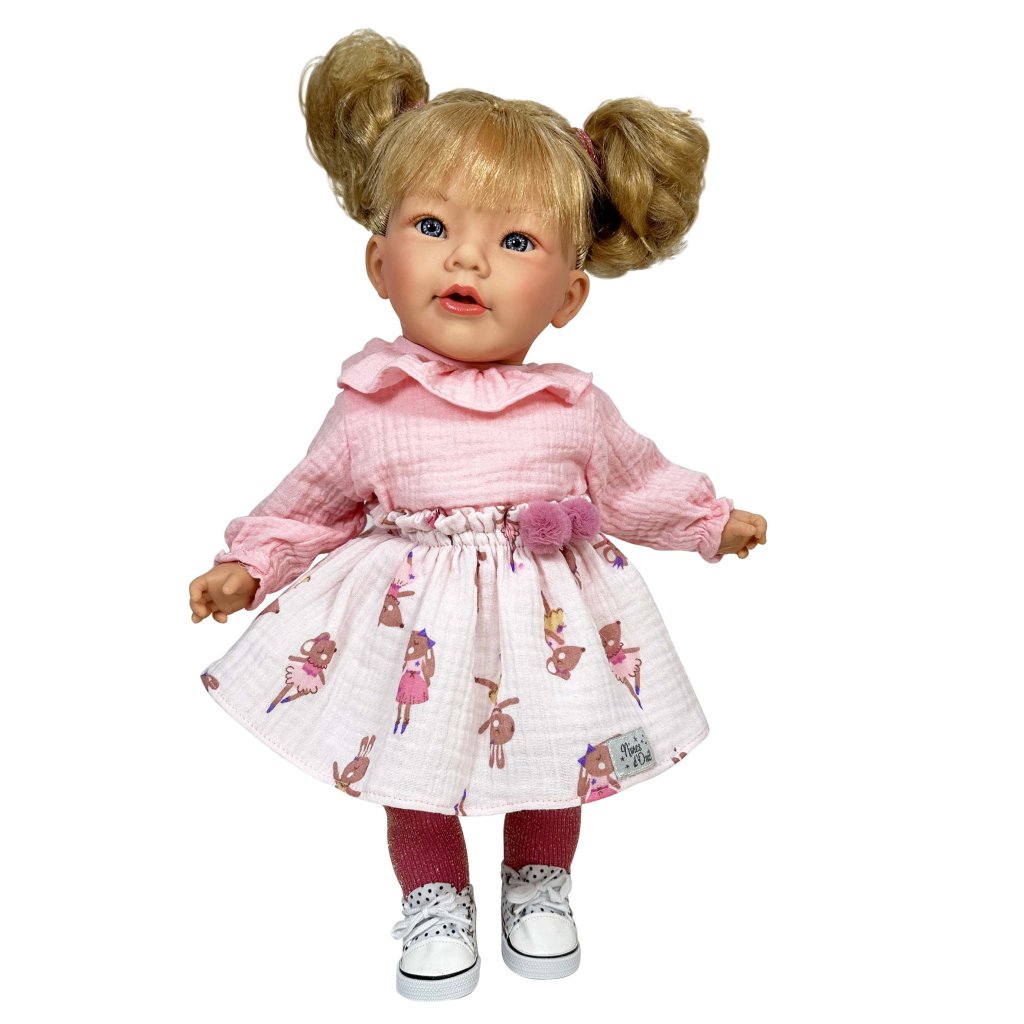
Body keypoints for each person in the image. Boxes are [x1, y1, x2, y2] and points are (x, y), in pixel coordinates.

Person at [188, 28, 767, 1002]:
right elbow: (312, 500)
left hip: (551, 627)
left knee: (561, 752)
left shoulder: (572, 407)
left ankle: (539, 878)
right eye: (432, 226)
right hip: (412, 627)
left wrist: (709, 521)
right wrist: (250, 564)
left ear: (569, 295)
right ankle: (434, 897)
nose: (467, 258)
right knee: (412, 763)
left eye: (515, 241)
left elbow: (634, 482)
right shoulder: (371, 403)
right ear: (379, 262)